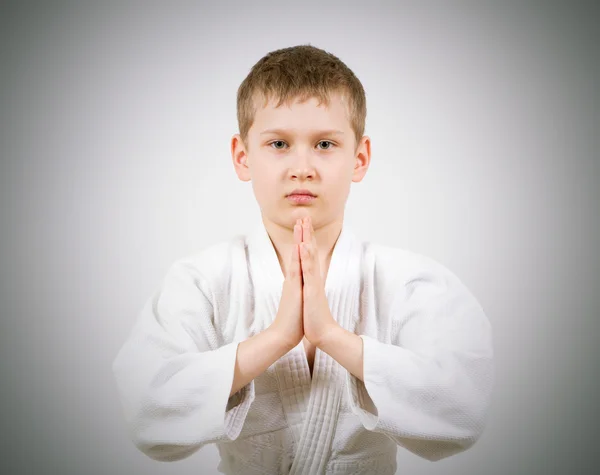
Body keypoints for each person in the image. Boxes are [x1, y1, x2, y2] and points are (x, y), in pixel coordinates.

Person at [112, 44, 495, 475]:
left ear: (360, 157)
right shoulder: (201, 280)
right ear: (242, 156)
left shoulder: (409, 282)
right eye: (278, 143)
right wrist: (276, 338)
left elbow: (463, 411)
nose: (302, 167)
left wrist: (332, 335)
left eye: (325, 144)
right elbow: (145, 410)